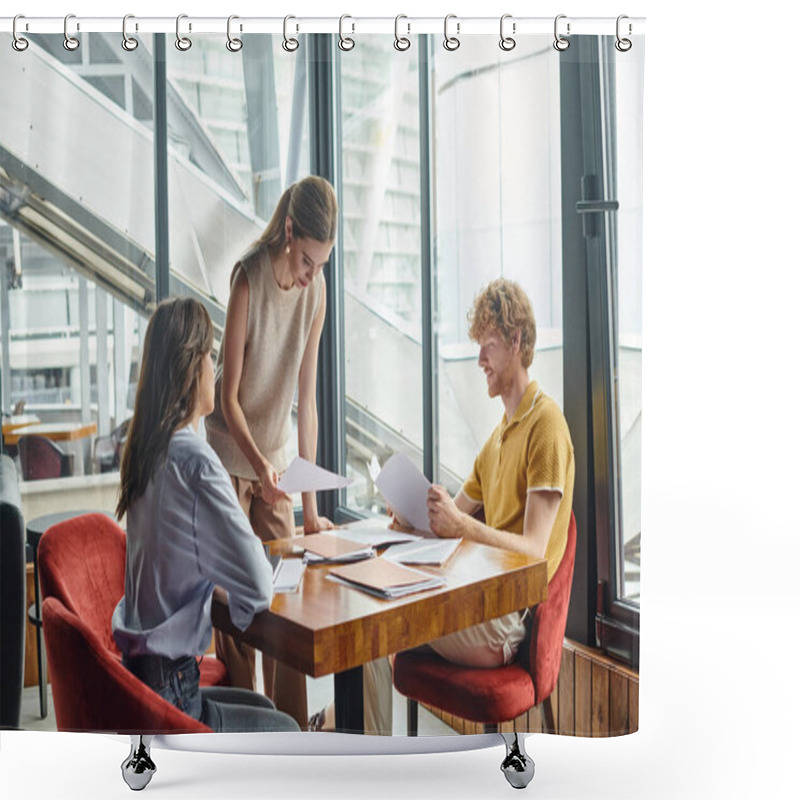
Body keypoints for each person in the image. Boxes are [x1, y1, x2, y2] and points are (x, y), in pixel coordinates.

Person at [111, 297, 298, 733]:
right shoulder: (195, 460)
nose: (215, 368)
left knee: (263, 708)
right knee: (287, 732)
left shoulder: (147, 448)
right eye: (211, 355)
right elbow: (255, 582)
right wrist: (242, 593)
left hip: (143, 676)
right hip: (172, 691)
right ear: (191, 366)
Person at [204, 175, 337, 728]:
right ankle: (245, 736)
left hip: (275, 462)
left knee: (288, 603)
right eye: (308, 260)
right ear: (289, 232)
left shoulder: (317, 294)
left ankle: (292, 741)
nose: (312, 275)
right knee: (240, 607)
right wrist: (257, 466)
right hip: (231, 456)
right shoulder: (248, 280)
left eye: (322, 264)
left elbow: (306, 399)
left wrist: (308, 513)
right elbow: (226, 396)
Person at [423, 277, 575, 667]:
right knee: (379, 625)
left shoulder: (547, 426)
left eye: (487, 346)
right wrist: (413, 516)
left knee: (386, 629)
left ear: (515, 342)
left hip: (508, 618)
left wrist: (461, 526)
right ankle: (335, 724)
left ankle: (331, 724)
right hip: (480, 597)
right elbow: (449, 520)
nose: (479, 361)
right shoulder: (495, 442)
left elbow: (534, 551)